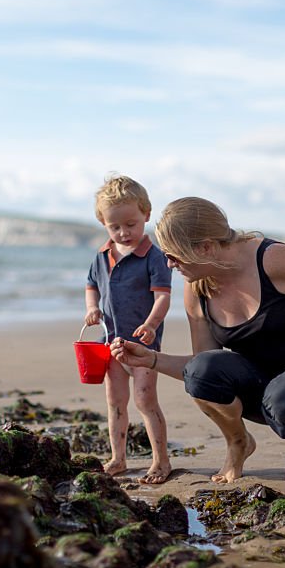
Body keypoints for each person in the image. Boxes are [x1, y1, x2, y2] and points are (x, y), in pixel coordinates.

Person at [111, 197, 285, 483]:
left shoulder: (272, 260)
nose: (169, 263)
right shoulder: (197, 287)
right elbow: (201, 367)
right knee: (202, 372)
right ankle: (238, 443)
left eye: (175, 255)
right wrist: (150, 359)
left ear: (206, 247)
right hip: (265, 384)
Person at [85, 175, 173, 484]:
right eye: (115, 227)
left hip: (143, 344)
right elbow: (91, 286)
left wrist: (151, 324)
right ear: (104, 223)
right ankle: (118, 458)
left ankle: (161, 461)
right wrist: (92, 308)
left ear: (146, 214)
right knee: (115, 402)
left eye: (131, 224)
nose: (123, 233)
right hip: (111, 343)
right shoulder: (101, 256)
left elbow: (163, 296)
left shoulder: (153, 256)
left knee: (145, 401)